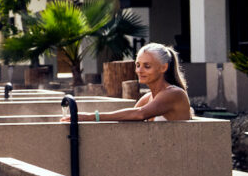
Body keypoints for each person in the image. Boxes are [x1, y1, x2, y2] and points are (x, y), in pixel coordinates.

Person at [64, 42, 192, 122]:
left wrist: (91, 117)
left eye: (147, 66)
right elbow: (129, 118)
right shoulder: (147, 98)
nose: (139, 70)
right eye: (138, 65)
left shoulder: (174, 94)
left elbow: (139, 114)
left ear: (163, 67)